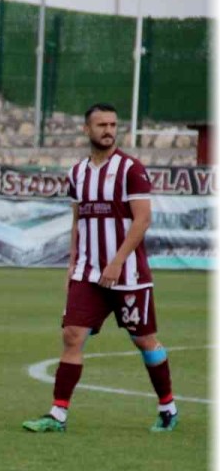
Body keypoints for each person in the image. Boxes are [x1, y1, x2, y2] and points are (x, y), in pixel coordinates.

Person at [22, 102, 178, 434]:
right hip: (88, 273)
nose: (108, 130)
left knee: (145, 340)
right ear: (87, 129)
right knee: (72, 336)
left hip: (128, 274)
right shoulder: (77, 172)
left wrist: (117, 261)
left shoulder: (130, 169)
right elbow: (79, 220)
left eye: (112, 124)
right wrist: (72, 265)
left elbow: (143, 219)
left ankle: (167, 406)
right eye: (101, 125)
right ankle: (58, 414)